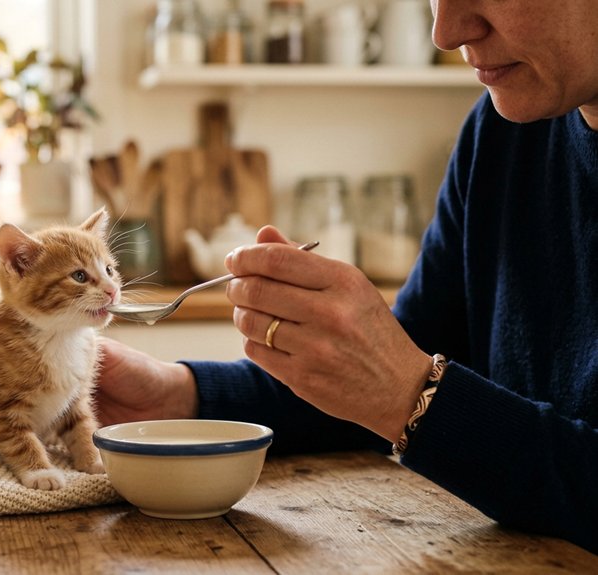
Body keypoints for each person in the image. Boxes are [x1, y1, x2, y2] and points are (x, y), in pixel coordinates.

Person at [95, 0, 598, 555]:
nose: (446, 32)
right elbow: (383, 381)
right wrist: (178, 398)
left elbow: (401, 388)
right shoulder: (499, 132)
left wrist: (409, 394)